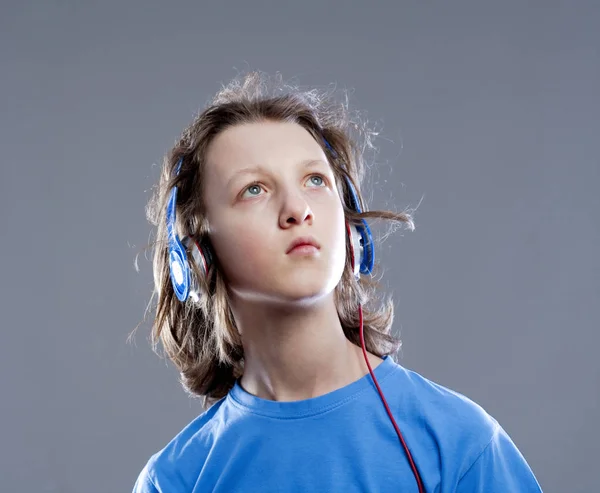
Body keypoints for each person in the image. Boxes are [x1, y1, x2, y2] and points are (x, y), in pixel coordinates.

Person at [132, 71, 543, 492]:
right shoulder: (174, 480)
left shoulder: (460, 443)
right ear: (197, 258)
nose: (297, 209)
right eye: (254, 189)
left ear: (352, 232)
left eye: (315, 180)